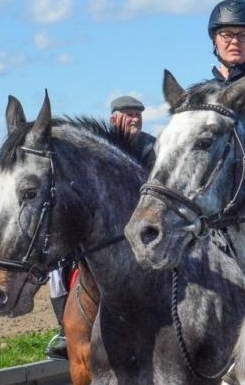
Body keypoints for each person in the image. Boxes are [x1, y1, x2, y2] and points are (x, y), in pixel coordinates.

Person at [44, 95, 159, 361]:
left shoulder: (152, 147)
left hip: (142, 225)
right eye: (128, 114)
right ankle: (64, 331)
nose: (134, 119)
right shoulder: (99, 148)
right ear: (113, 118)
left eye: (138, 115)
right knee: (58, 270)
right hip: (103, 228)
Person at [107, 94, 157, 166]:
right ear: (113, 120)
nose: (136, 119)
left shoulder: (153, 145)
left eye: (138, 114)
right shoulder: (103, 143)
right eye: (129, 115)